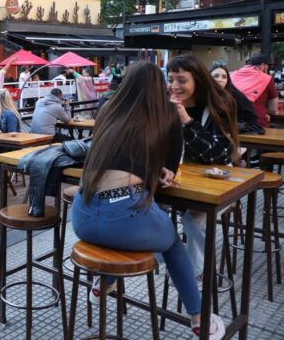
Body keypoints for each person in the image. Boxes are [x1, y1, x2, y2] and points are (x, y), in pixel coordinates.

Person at [71, 61, 225, 339]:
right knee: (171, 242)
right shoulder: (167, 112)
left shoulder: (108, 108)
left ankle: (102, 283)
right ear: (159, 86)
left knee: (135, 234)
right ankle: (199, 318)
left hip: (81, 215)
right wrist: (160, 171)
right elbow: (171, 167)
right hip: (124, 218)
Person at [168, 54, 239, 288]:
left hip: (219, 182)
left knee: (195, 218)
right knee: (143, 204)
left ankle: (196, 274)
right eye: (171, 80)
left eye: (181, 80)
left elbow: (217, 153)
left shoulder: (220, 103)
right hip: (179, 179)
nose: (175, 87)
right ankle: (168, 256)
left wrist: (186, 121)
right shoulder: (168, 104)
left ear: (197, 80)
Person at [209, 62, 260, 133]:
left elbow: (251, 120)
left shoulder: (235, 95)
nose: (220, 79)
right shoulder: (203, 95)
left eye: (224, 77)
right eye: (216, 76)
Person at [230, 54, 277, 128]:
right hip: (257, 122)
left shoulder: (232, 75)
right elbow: (273, 109)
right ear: (262, 65)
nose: (268, 68)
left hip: (233, 122)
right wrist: (267, 113)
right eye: (268, 66)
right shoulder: (267, 78)